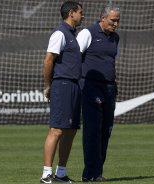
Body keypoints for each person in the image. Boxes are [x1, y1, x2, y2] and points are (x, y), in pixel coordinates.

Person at [40, 1, 84, 183]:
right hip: (62, 85)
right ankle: (46, 174)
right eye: (81, 12)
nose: (83, 15)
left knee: (71, 130)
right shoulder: (60, 33)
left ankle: (61, 173)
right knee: (56, 130)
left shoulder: (73, 35)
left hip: (74, 86)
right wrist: (49, 85)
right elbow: (48, 60)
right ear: (71, 13)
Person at [76, 3, 120, 182]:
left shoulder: (115, 37)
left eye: (118, 20)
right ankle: (90, 174)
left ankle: (97, 172)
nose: (116, 24)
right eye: (113, 20)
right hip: (90, 86)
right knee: (92, 130)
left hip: (109, 87)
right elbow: (74, 57)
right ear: (103, 18)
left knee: (106, 130)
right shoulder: (88, 33)